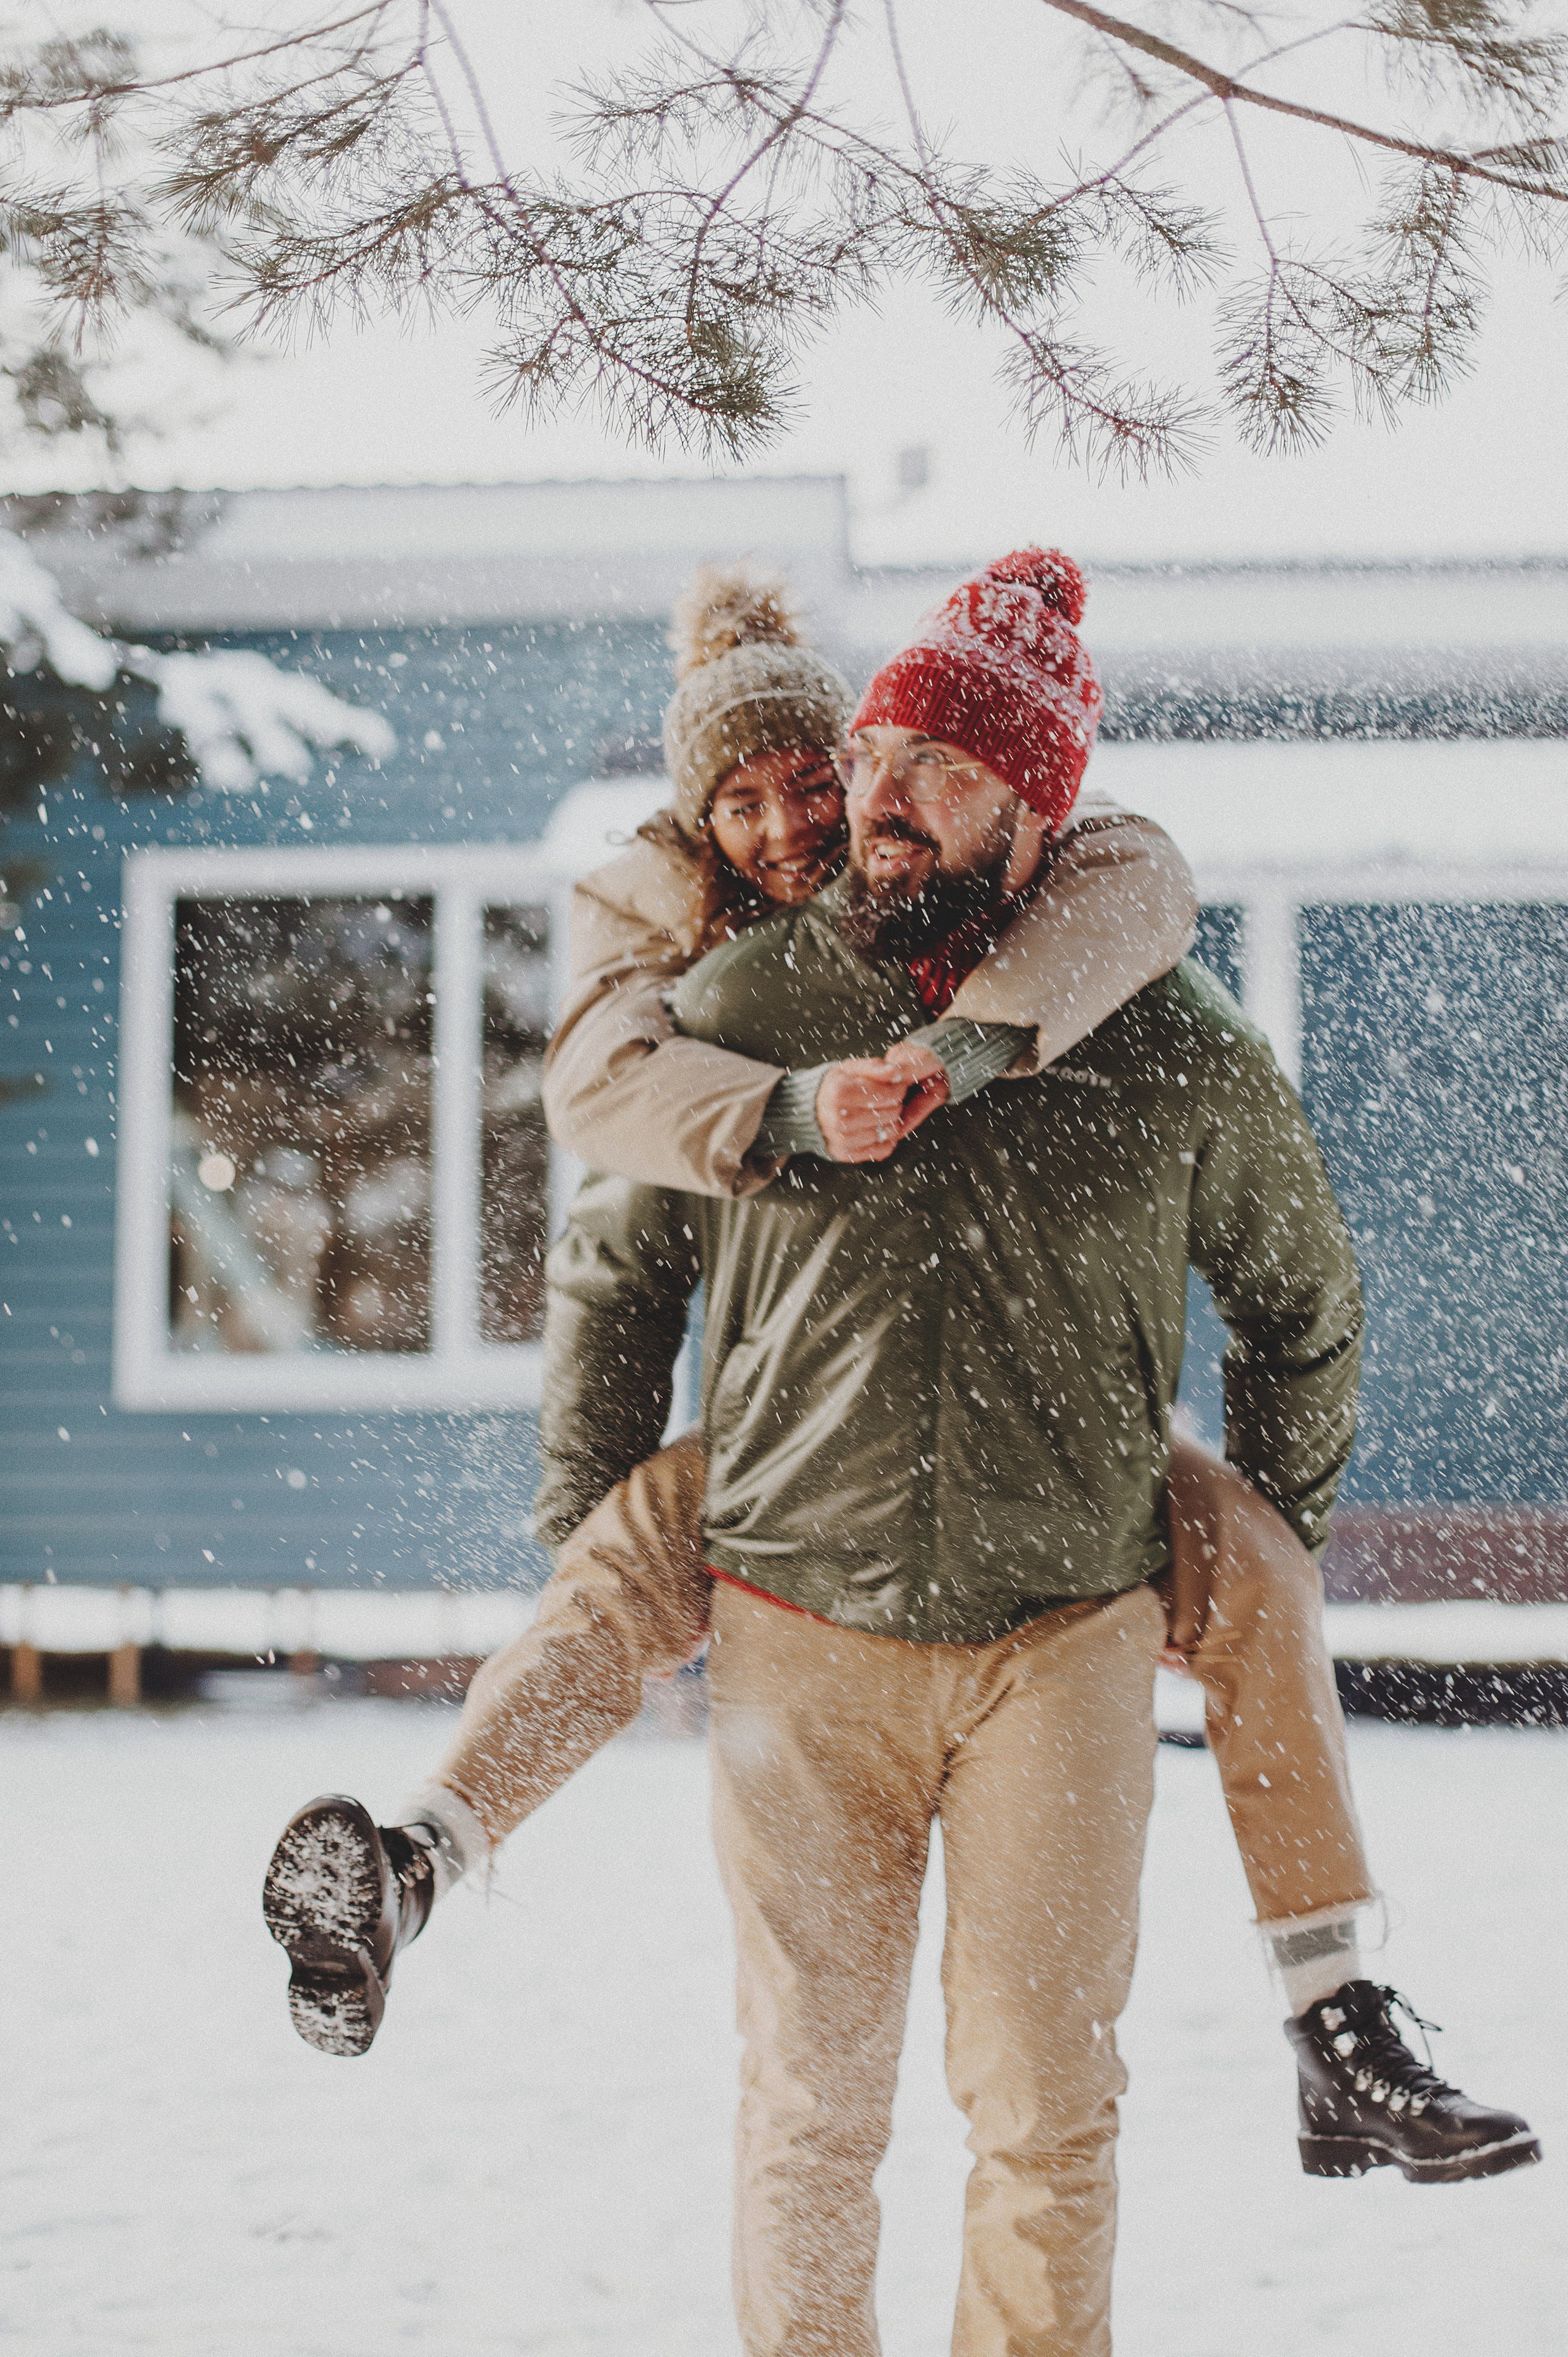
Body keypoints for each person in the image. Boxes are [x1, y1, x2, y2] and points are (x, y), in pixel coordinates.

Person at [262, 560, 1537, 2245]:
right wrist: (602, 1462)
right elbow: (609, 1207)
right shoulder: (698, 961)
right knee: (614, 1564)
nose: (825, 818)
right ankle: (416, 1862)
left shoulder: (1115, 952)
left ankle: (1333, 2006)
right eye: (819, 778)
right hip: (792, 1475)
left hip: (1073, 1488)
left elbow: (1147, 906)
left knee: (1261, 1579)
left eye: (860, 772)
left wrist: (1260, 1527)